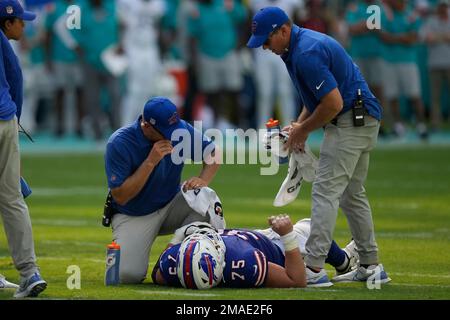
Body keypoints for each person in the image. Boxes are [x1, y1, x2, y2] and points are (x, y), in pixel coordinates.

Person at [246, 7, 391, 286]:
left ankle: (312, 267)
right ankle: (371, 266)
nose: (264, 47)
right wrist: (298, 126)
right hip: (361, 118)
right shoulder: (299, 46)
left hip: (349, 119)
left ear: (284, 31)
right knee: (351, 194)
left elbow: (333, 103)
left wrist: (303, 130)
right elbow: (317, 98)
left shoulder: (305, 52)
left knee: (325, 191)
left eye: (267, 40)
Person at [104, 96, 220, 284]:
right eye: (166, 132)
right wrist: (150, 162)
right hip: (134, 213)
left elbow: (214, 154)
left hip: (171, 204)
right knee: (126, 275)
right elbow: (120, 196)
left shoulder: (178, 130)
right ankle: (126, 250)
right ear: (146, 126)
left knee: (206, 201)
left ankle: (178, 259)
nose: (172, 135)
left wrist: (202, 180)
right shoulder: (119, 142)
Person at [152, 214, 358, 288]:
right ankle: (344, 261)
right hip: (274, 247)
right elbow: (296, 280)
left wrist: (179, 236)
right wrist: (287, 236)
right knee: (312, 229)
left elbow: (157, 273)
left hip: (248, 238)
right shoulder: (243, 265)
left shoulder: (173, 265)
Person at [0, 0, 47, 298]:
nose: (24, 25)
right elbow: (15, 75)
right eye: (21, 20)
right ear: (7, 23)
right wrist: (14, 114)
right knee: (12, 198)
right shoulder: (2, 41)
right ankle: (29, 273)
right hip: (4, 119)